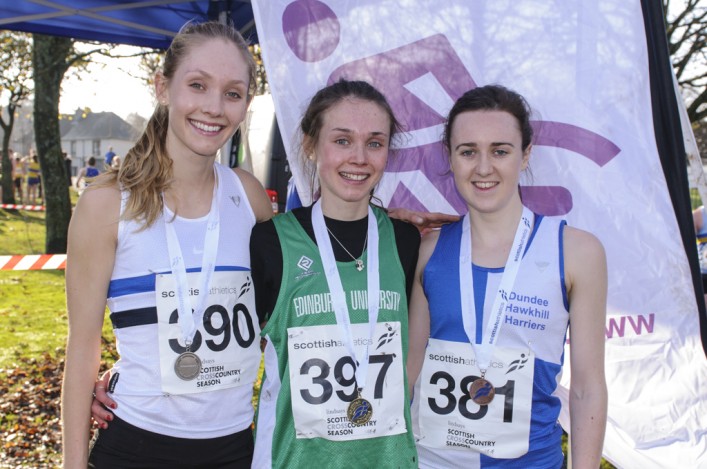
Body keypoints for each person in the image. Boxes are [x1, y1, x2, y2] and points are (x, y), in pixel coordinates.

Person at [61, 21, 273, 468]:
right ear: (163, 87)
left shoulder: (249, 196)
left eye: (233, 93)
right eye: (197, 85)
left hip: (234, 447)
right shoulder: (105, 204)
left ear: (245, 105)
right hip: (137, 445)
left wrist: (384, 220)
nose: (214, 108)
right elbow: (82, 347)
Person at [407, 85, 608, 468]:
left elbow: (586, 388)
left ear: (525, 154)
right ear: (450, 156)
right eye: (468, 152)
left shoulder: (578, 253)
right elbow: (409, 374)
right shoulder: (429, 250)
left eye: (500, 150)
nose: (484, 168)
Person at [249, 79, 420, 468]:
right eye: (342, 140)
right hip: (292, 459)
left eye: (375, 143)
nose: (359, 157)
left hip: (387, 460)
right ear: (310, 146)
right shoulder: (269, 242)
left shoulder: (407, 242)